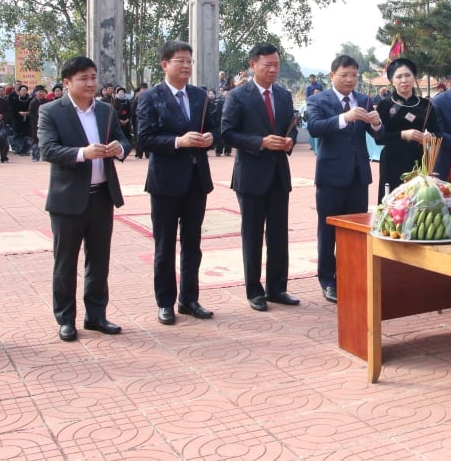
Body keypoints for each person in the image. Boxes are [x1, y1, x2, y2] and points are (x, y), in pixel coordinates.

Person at [38, 56, 131, 342]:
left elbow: (125, 140)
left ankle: (96, 315)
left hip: (102, 197)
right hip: (68, 201)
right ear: (67, 83)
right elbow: (48, 149)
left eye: (93, 77)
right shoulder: (51, 111)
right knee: (65, 262)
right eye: (84, 78)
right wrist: (82, 153)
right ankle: (66, 319)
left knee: (99, 260)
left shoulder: (105, 111)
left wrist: (119, 148)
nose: (91, 83)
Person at [136, 42, 218, 325]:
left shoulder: (199, 95)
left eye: (189, 61)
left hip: (196, 180)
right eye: (180, 61)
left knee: (193, 244)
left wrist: (209, 139)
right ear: (164, 64)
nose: (186, 66)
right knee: (165, 245)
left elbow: (214, 128)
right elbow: (144, 138)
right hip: (165, 182)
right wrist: (177, 142)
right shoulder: (150, 97)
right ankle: (165, 302)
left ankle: (189, 299)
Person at [221, 43, 299, 312]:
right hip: (251, 175)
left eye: (276, 64)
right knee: (252, 234)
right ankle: (254, 290)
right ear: (253, 65)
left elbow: (291, 128)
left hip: (278, 174)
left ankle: (278, 288)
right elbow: (227, 134)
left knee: (279, 234)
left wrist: (289, 141)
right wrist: (260, 142)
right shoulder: (237, 96)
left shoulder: (285, 96)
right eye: (268, 65)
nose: (273, 70)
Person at [306, 54, 381, 304]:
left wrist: (378, 124)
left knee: (357, 231)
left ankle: (352, 275)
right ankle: (328, 280)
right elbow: (315, 127)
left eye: (354, 75)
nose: (350, 80)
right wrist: (345, 118)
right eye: (344, 75)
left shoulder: (365, 99)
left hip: (359, 175)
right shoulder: (318, 99)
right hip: (330, 176)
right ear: (332, 76)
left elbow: (378, 136)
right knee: (328, 231)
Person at [374, 58, 440, 203]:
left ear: (414, 77)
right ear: (391, 80)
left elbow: (438, 134)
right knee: (392, 204)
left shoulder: (425, 105)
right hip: (392, 161)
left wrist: (429, 136)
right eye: (398, 76)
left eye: (408, 75)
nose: (404, 80)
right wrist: (403, 135)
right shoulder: (385, 105)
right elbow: (379, 138)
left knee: (418, 202)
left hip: (419, 160)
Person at [26, 85, 47, 161]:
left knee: (45, 140)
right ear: (36, 93)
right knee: (35, 140)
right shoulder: (33, 102)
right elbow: (31, 113)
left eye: (42, 92)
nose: (41, 93)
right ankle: (35, 156)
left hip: (45, 124)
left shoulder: (46, 102)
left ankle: (44, 156)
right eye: (39, 92)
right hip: (35, 124)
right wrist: (37, 120)